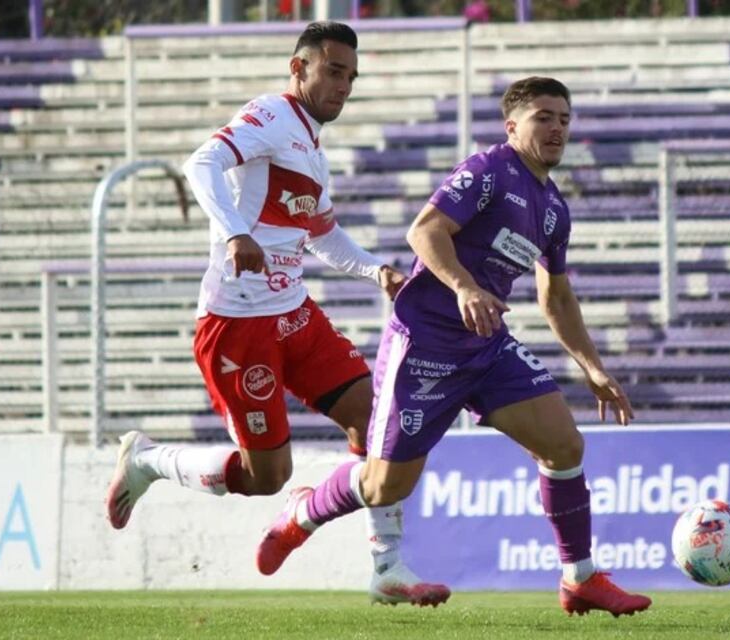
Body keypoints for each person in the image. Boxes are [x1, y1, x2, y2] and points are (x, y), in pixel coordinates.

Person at [253, 76, 652, 617]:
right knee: (382, 486)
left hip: (487, 349)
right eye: (544, 117)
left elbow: (554, 293)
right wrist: (464, 286)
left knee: (565, 445)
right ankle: (304, 511)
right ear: (512, 126)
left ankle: (579, 577)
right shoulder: (488, 171)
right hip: (425, 345)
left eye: (564, 118)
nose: (557, 127)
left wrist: (592, 366)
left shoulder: (554, 207)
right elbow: (425, 231)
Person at [104, 21, 450, 608]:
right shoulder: (271, 115)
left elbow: (321, 234)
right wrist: (235, 232)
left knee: (374, 421)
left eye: (351, 77)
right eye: (334, 71)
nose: (343, 86)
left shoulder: (313, 151)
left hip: (294, 314)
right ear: (300, 68)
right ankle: (148, 460)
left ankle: (387, 566)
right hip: (237, 326)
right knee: (267, 476)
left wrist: (376, 271)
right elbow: (201, 163)